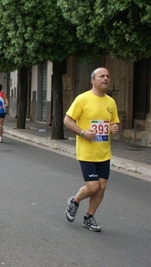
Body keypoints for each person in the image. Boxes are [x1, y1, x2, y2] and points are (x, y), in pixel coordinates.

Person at [64, 67, 120, 232]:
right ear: (93, 80)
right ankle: (74, 201)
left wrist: (114, 129)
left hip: (104, 152)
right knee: (93, 186)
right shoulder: (82, 99)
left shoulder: (111, 102)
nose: (105, 79)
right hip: (87, 151)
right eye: (101, 76)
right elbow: (67, 120)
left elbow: (113, 124)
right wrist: (82, 132)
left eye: (108, 76)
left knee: (102, 186)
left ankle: (89, 217)